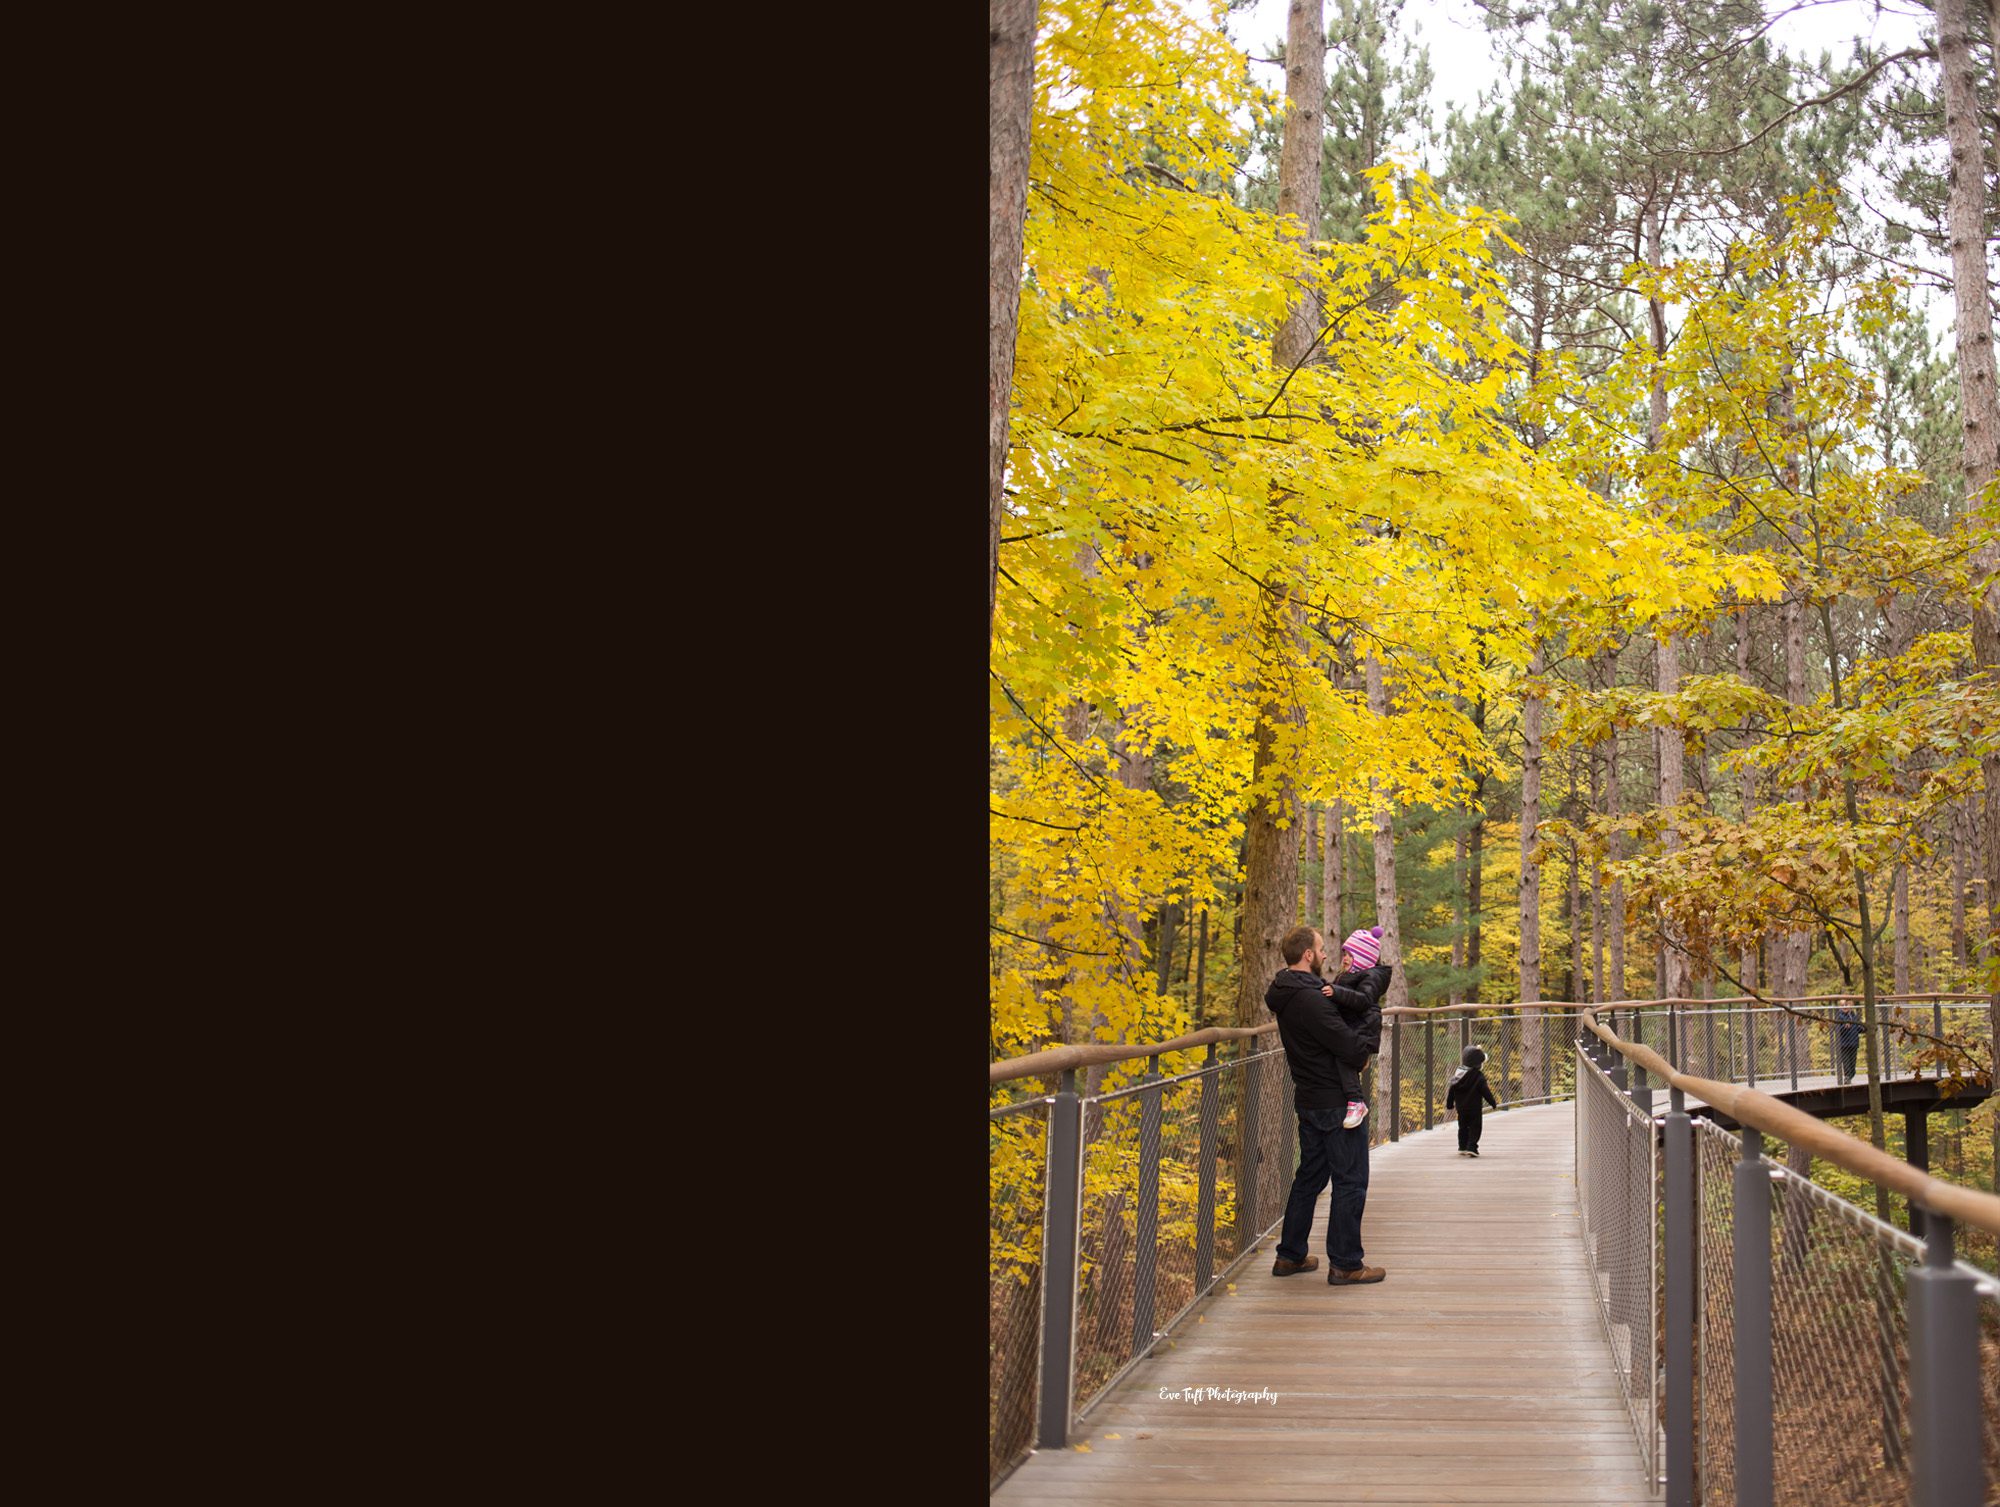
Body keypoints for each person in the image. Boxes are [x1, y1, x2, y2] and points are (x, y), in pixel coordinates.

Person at [1265, 923, 1393, 1286]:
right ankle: (1346, 1263)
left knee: (1310, 1177)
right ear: (1308, 955)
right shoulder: (1311, 999)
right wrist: (1363, 1051)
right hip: (1336, 1100)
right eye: (1321, 949)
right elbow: (1347, 1045)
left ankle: (1290, 1255)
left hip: (1308, 1097)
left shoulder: (1285, 992)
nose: (1325, 954)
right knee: (1351, 1180)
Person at [1319, 927, 1386, 1128]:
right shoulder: (1349, 975)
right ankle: (1353, 1101)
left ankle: (1356, 1101)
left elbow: (1363, 1000)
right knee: (1343, 1061)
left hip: (1363, 1029)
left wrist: (1337, 993)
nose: (1345, 958)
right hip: (1355, 1028)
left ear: (1364, 958)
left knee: (1345, 1060)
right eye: (1345, 953)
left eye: (1350, 955)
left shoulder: (1371, 977)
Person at [1444, 1044, 1498, 1156]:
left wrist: (1449, 1104)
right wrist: (1492, 1102)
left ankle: (1462, 1146)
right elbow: (1485, 1091)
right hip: (1474, 1108)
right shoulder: (1479, 1077)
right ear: (1478, 1064)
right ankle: (1472, 1147)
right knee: (1475, 1127)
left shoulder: (1458, 1075)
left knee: (1462, 1127)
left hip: (1461, 1108)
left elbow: (1452, 1089)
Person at [1834, 1004, 1860, 1083]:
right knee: (1846, 1062)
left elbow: (1857, 1028)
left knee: (1853, 1062)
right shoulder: (1839, 1016)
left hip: (1853, 1043)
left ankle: (1851, 1075)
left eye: (1847, 1005)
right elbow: (1837, 1029)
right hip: (1844, 1044)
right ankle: (1847, 1077)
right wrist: (1844, 1027)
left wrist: (1864, 1028)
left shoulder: (1854, 1016)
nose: (1845, 1007)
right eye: (1843, 1005)